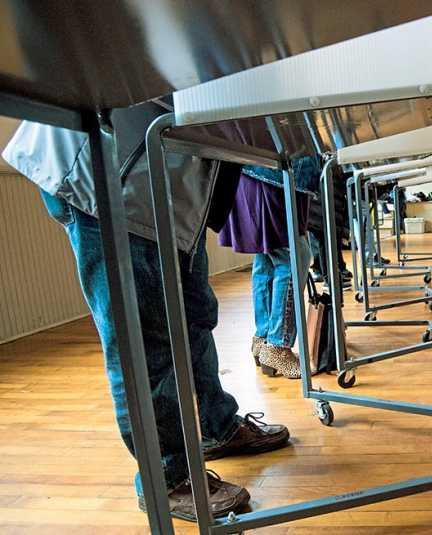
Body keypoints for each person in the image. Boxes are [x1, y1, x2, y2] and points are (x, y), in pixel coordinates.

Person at [3, 111, 291, 522]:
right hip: (108, 176)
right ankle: (167, 477)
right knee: (141, 339)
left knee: (195, 315)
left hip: (164, 185)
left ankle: (216, 426)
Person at [219, 160, 318, 380]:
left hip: (247, 168)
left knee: (267, 254)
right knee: (293, 254)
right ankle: (277, 346)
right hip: (272, 171)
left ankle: (263, 339)